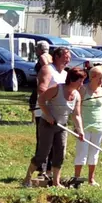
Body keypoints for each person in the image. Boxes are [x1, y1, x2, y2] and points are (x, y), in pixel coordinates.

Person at [37, 65, 87, 189]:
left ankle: (56, 182)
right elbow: (41, 100)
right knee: (43, 153)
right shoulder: (56, 89)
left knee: (60, 153)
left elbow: (77, 115)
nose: (82, 84)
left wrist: (80, 130)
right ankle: (28, 178)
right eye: (80, 81)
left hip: (62, 126)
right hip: (47, 123)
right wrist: (48, 116)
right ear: (72, 80)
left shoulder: (77, 95)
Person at [25, 44, 68, 186]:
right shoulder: (48, 69)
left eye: (69, 58)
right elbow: (42, 89)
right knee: (44, 146)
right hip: (45, 112)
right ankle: (38, 172)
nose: (68, 60)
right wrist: (48, 111)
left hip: (60, 116)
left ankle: (51, 175)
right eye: (65, 57)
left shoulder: (65, 74)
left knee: (58, 148)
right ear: (56, 57)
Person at [74, 66, 102, 185]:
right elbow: (76, 109)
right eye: (99, 78)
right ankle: (77, 178)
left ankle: (91, 179)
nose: (101, 81)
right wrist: (77, 126)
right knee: (82, 152)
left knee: (94, 153)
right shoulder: (83, 89)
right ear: (92, 77)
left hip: (99, 125)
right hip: (84, 125)